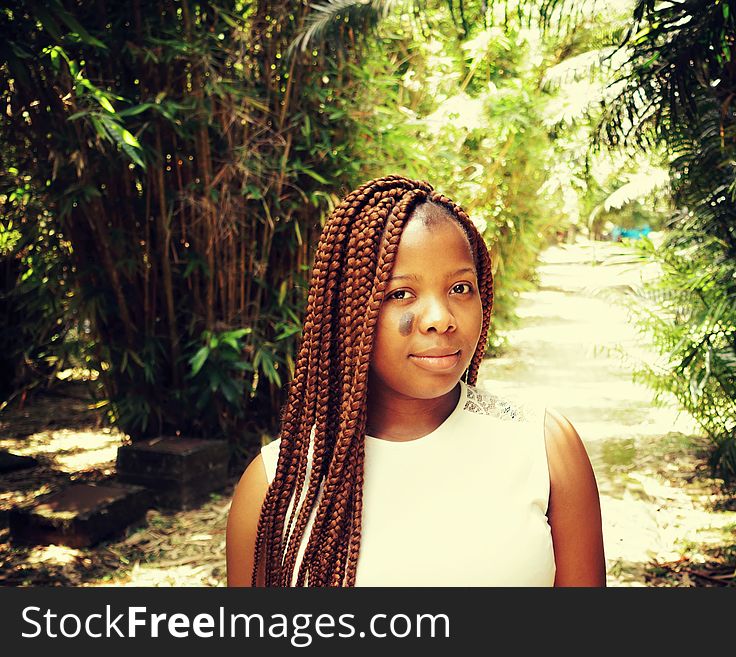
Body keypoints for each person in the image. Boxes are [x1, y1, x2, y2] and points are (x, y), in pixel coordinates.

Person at [226, 175, 605, 587]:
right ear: (345, 311)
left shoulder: (545, 448)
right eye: (400, 294)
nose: (440, 318)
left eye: (460, 287)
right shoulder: (277, 485)